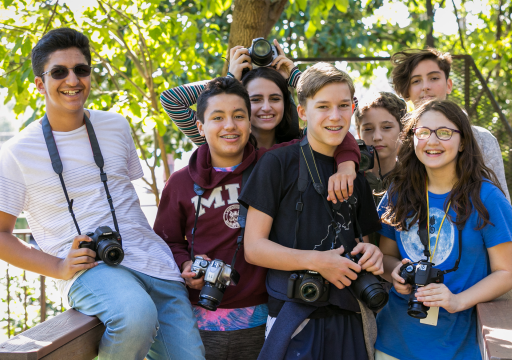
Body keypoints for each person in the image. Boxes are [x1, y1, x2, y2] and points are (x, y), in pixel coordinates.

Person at [0, 28, 204, 360]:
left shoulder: (117, 126)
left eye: (81, 69)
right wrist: (58, 266)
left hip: (155, 264)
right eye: (59, 71)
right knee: (135, 316)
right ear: (40, 83)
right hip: (90, 270)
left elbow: (124, 199)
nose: (72, 79)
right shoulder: (18, 151)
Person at [154, 76, 360, 360]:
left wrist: (348, 162)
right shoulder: (180, 182)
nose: (230, 125)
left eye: (239, 116)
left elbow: (329, 126)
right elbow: (165, 241)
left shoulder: (271, 164)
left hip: (261, 317)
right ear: (200, 126)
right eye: (218, 117)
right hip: (198, 319)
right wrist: (185, 264)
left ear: (250, 123)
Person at [240, 62, 385, 360]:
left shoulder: (354, 172)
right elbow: (253, 248)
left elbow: (365, 245)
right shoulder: (276, 163)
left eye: (344, 105)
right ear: (303, 111)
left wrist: (373, 255)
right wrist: (317, 262)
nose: (335, 116)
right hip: (294, 318)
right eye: (323, 106)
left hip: (351, 315)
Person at [376, 100, 512, 360]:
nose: (432, 141)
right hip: (392, 343)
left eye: (444, 132)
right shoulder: (399, 192)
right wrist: (394, 273)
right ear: (412, 138)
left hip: (456, 347)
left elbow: (506, 273)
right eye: (423, 132)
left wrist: (457, 301)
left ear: (462, 142)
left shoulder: (487, 198)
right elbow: (385, 257)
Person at [389, 48, 510, 200]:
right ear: (407, 91)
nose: (425, 86)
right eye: (416, 81)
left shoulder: (482, 139)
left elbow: (501, 204)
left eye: (434, 78)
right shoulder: (400, 142)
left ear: (449, 85)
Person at [161, 40, 301, 149]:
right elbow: (171, 99)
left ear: (286, 103)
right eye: (256, 99)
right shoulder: (223, 141)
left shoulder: (302, 143)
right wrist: (228, 81)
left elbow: (323, 101)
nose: (266, 107)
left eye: (275, 99)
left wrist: (297, 79)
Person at [354, 92, 407, 245]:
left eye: (386, 127)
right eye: (368, 129)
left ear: (402, 131)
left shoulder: (412, 179)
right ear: (359, 133)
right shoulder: (350, 179)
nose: (377, 136)